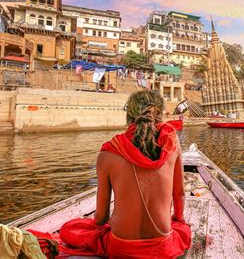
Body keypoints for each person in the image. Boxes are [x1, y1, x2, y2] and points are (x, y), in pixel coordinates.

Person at [58, 90, 191, 258]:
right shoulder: (172, 144)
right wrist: (178, 221)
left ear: (129, 116)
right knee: (183, 229)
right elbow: (179, 193)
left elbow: (100, 219)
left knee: (69, 229)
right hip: (163, 247)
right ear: (159, 115)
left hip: (120, 248)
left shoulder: (107, 154)